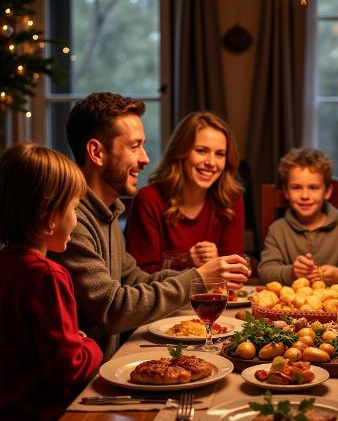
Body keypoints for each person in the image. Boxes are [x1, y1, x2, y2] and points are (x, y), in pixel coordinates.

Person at [50, 92, 249, 359]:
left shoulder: (108, 213)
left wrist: (200, 276)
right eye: (134, 146)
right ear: (97, 152)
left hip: (113, 359)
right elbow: (113, 309)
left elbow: (136, 279)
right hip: (85, 381)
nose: (145, 158)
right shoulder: (71, 221)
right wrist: (199, 278)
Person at [0, 143, 103, 421]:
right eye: (74, 208)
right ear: (48, 215)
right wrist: (90, 345)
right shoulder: (48, 276)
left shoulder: (7, 264)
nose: (76, 219)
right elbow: (67, 368)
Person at [126, 111, 245, 273]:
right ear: (181, 153)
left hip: (217, 297)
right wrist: (186, 262)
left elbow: (235, 275)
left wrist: (218, 261)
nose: (211, 162)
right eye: (201, 151)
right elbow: (138, 277)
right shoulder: (149, 199)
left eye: (220, 154)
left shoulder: (231, 200)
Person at [258, 147, 338, 285]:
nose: (305, 196)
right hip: (292, 305)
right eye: (296, 187)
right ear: (286, 192)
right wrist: (292, 272)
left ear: (327, 191)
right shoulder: (277, 230)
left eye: (313, 188)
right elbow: (265, 272)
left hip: (336, 304)